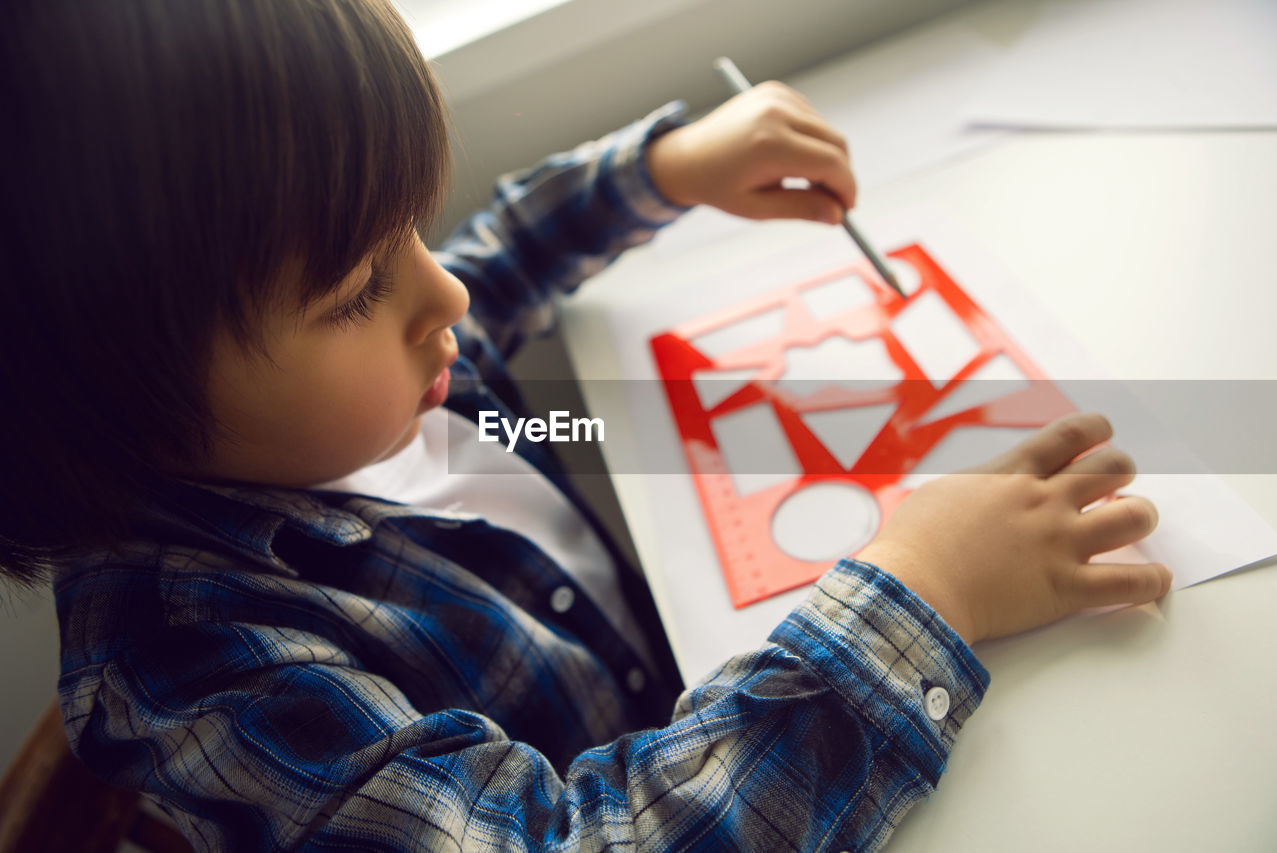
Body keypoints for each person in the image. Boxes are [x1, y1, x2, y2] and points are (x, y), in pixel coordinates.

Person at [0, 1, 1171, 850]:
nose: (441, 295)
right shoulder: (203, 675)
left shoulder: (356, 391)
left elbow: (496, 262)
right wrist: (924, 586)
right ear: (106, 397)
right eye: (361, 283)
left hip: (675, 677)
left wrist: (661, 168)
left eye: (415, 226)